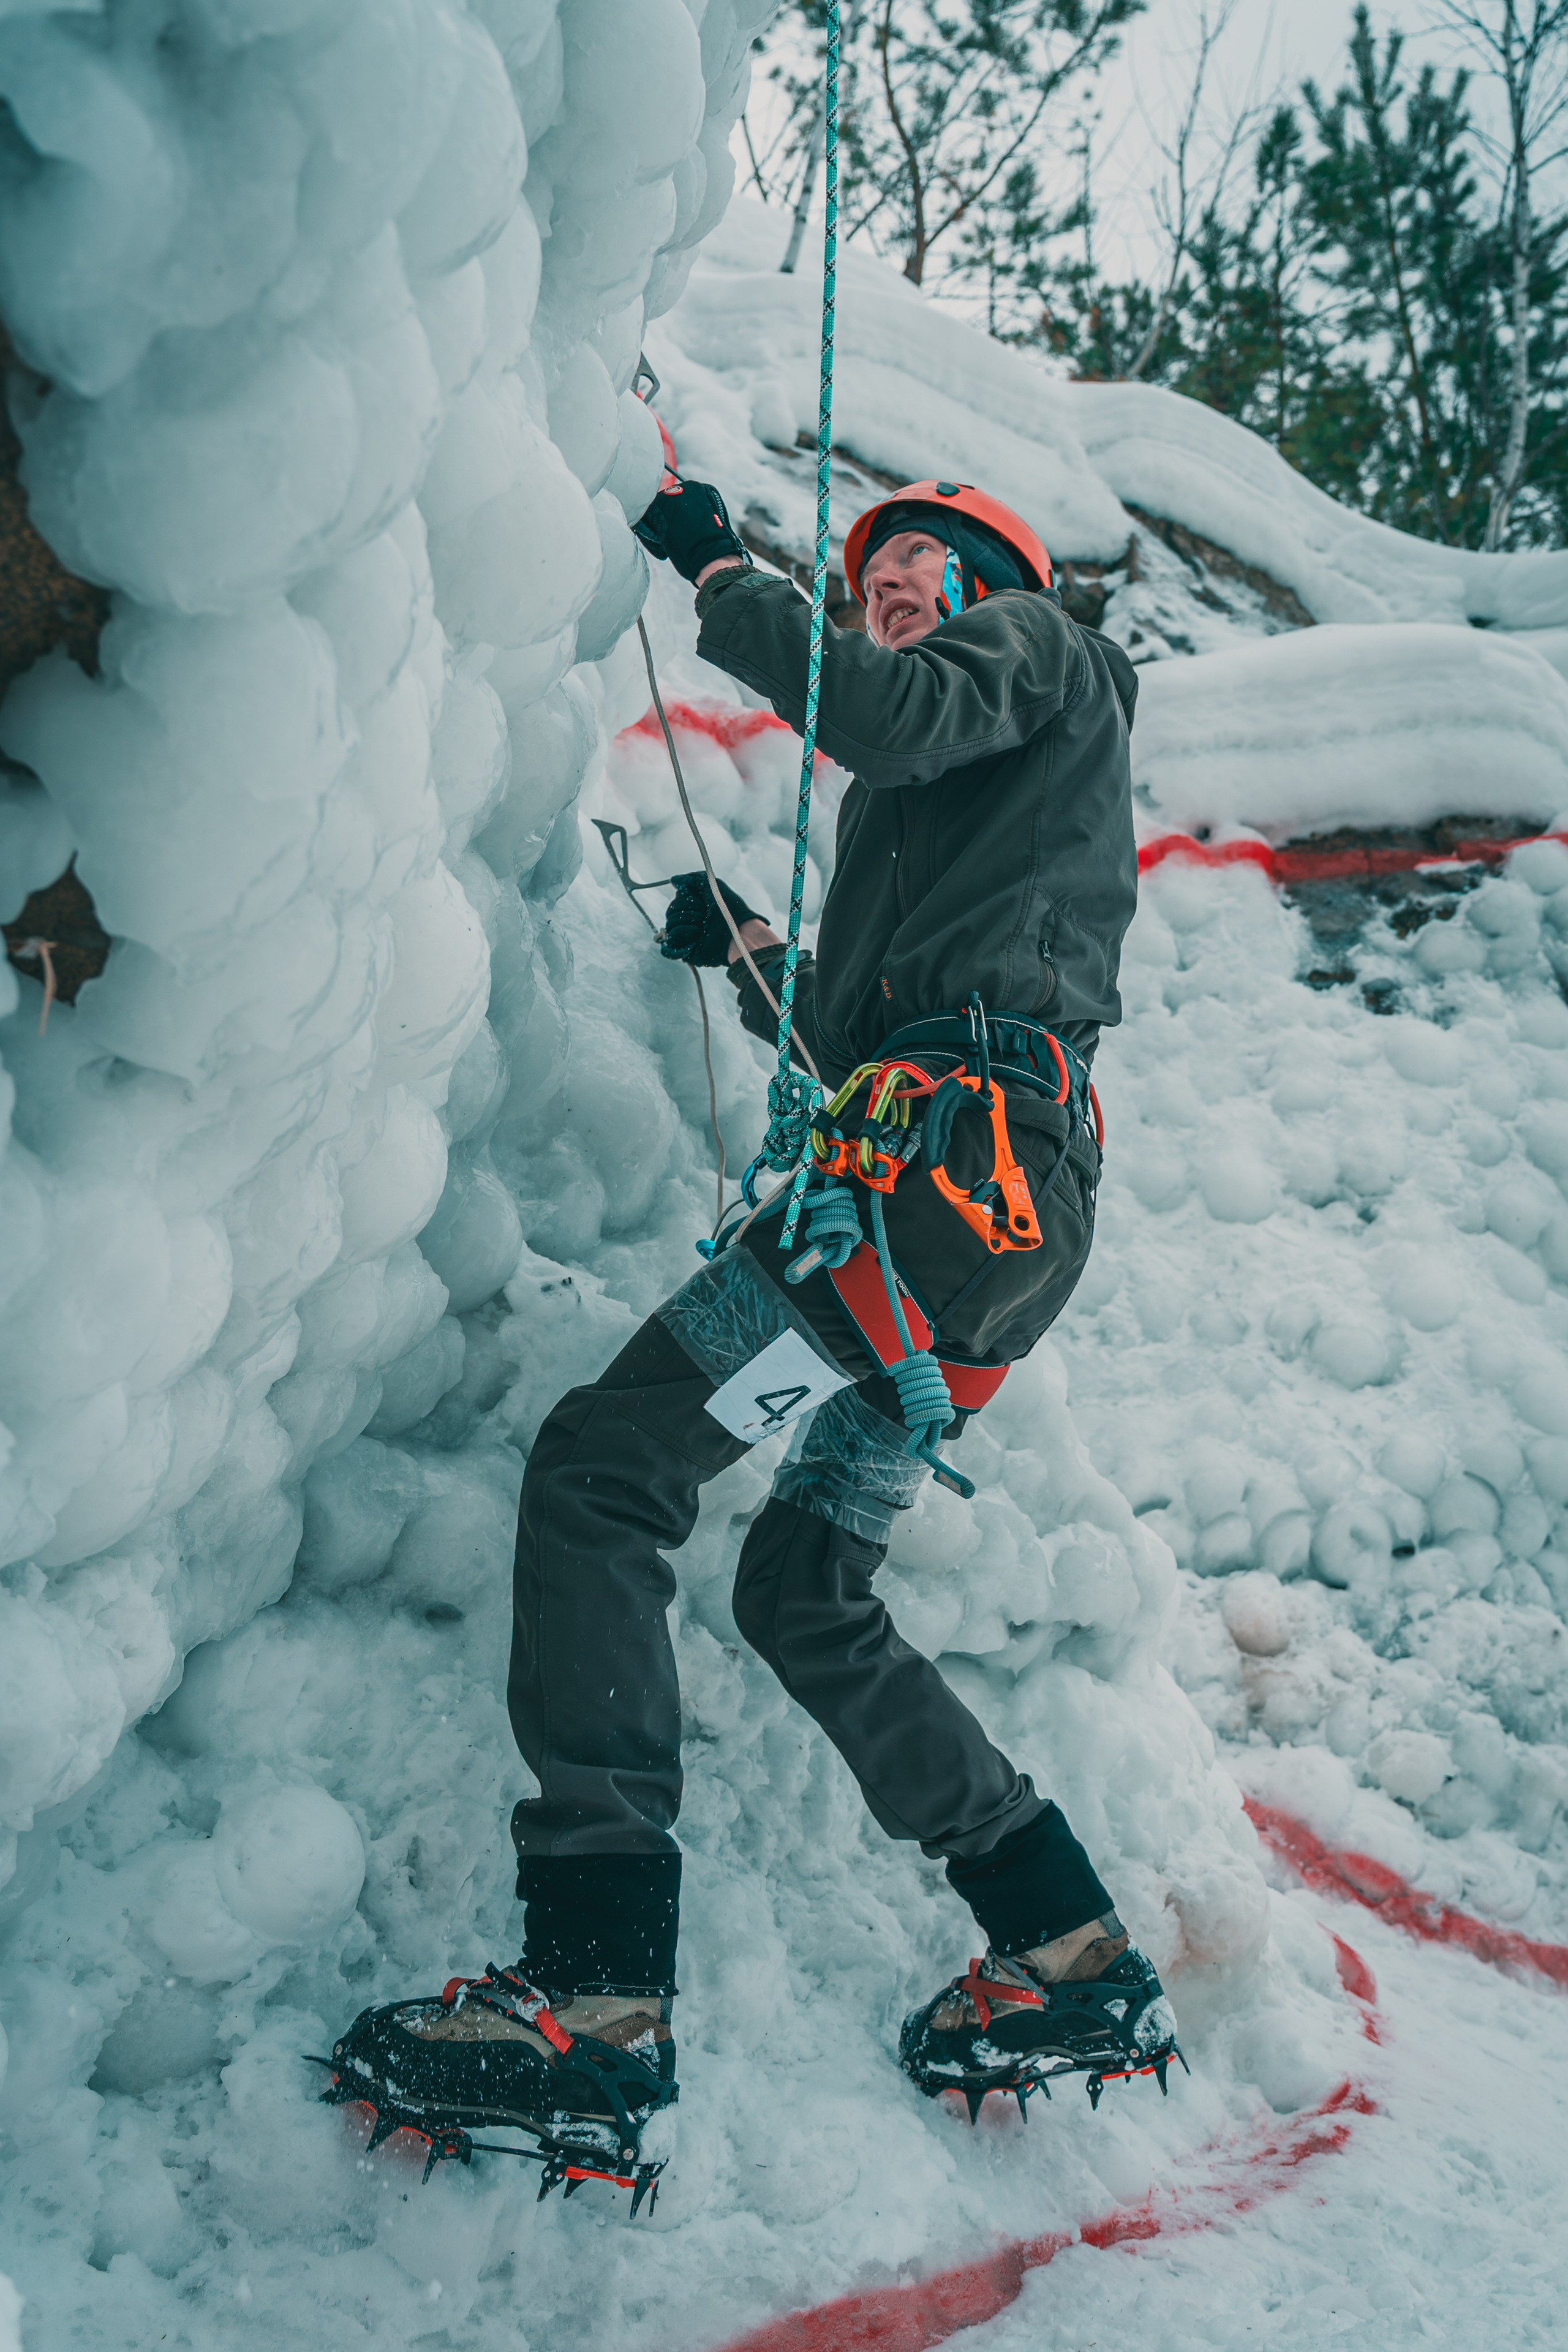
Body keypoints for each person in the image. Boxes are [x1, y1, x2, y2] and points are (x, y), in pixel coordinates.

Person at [320, 473, 1178, 2207]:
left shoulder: (1045, 651)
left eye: (921, 562)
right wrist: (759, 957)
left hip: (930, 1192)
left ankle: (596, 1990)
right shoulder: (971, 801)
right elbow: (905, 1015)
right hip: (980, 1228)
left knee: (604, 1472)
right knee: (802, 1589)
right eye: (876, 574)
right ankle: (1068, 1947)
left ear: (998, 584)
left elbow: (880, 715)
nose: (895, 584)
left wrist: (716, 558)